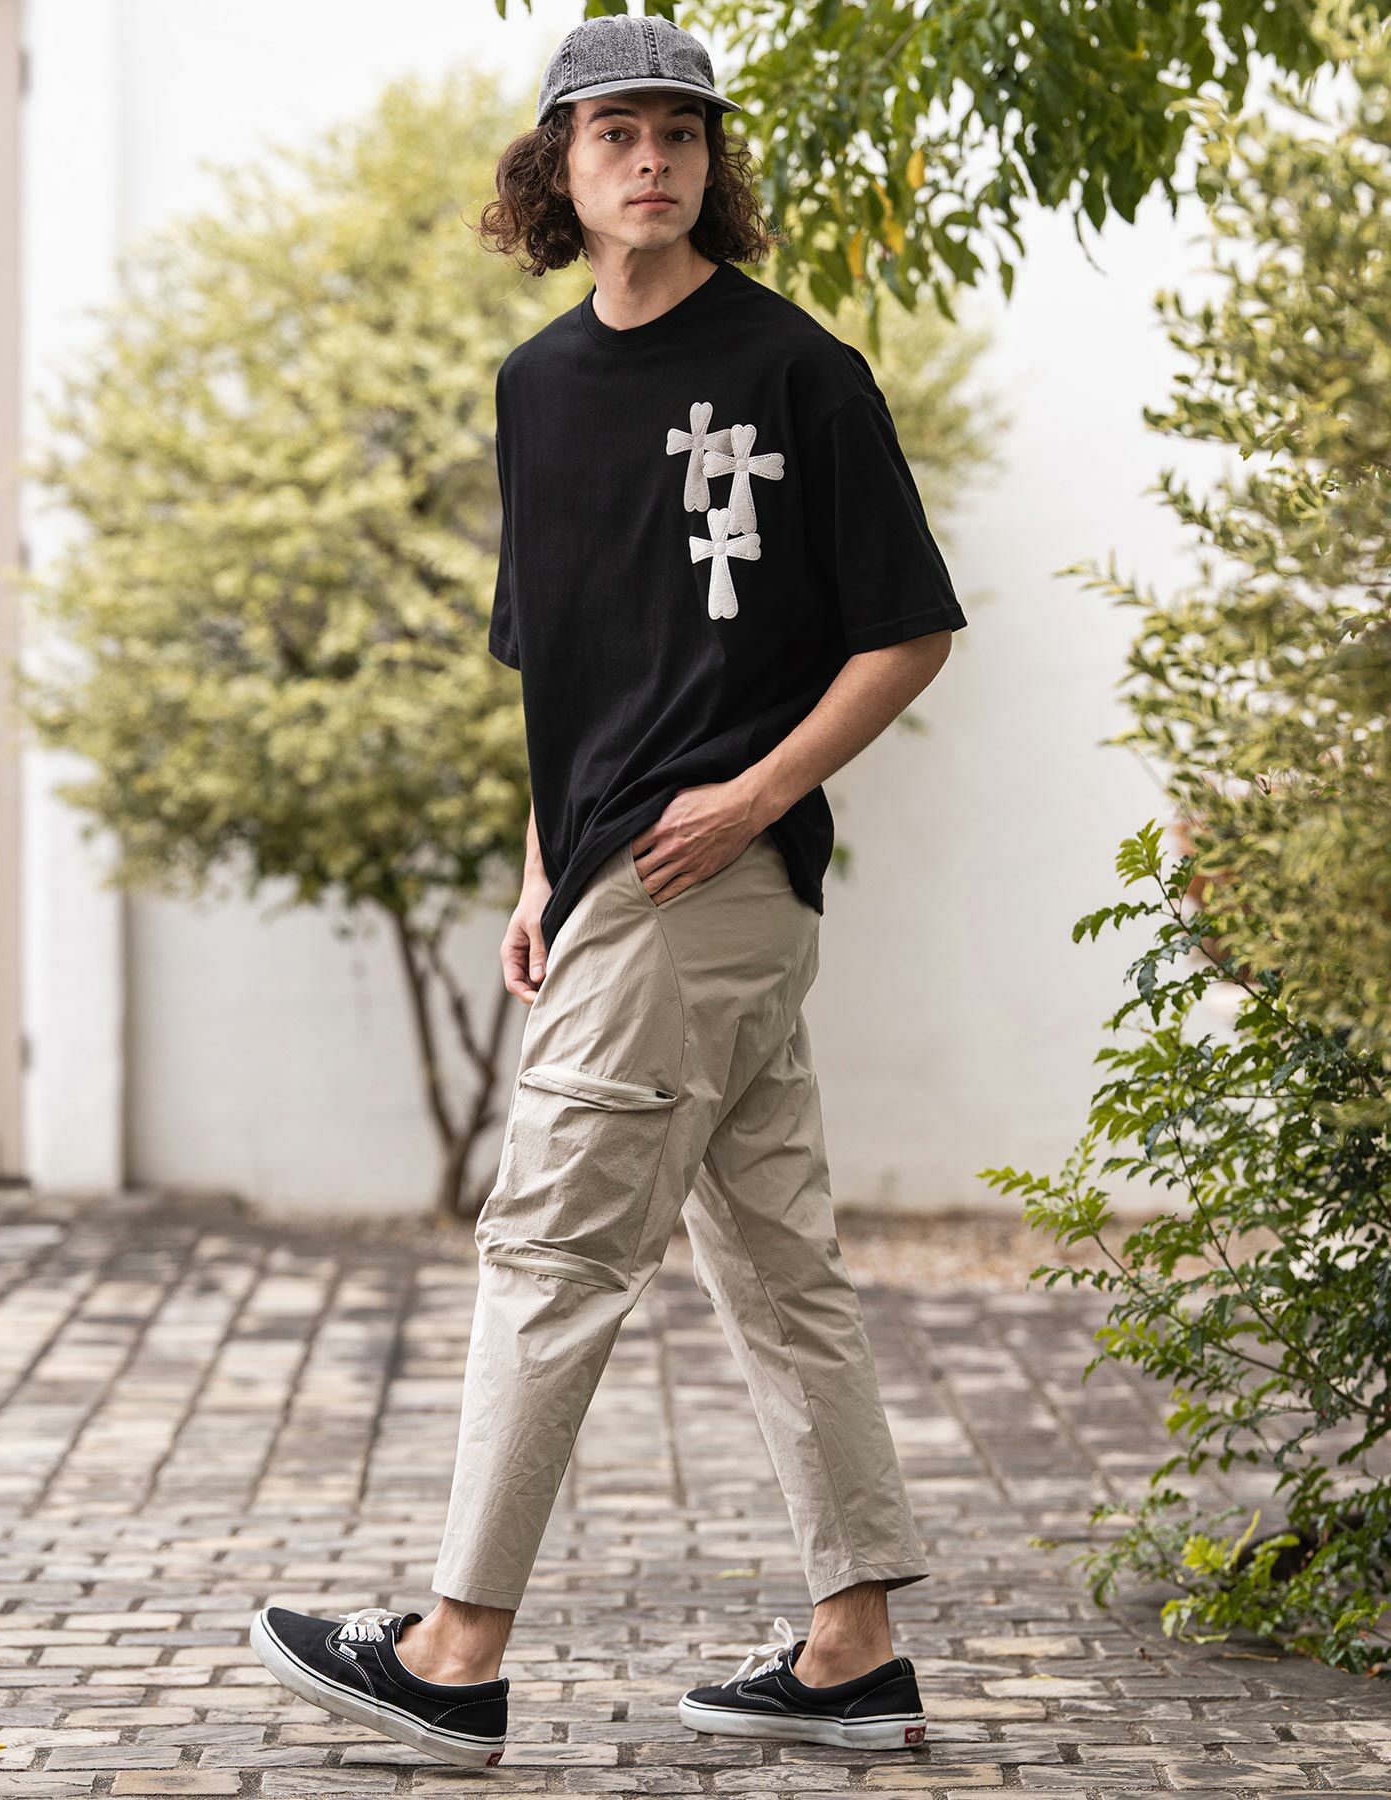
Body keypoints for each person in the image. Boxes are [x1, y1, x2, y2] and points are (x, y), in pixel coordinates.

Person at [251, 12, 965, 1769]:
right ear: (556, 169)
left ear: (712, 164)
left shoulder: (799, 371)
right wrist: (538, 872)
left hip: (704, 877)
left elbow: (909, 631)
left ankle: (454, 1651)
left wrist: (756, 794)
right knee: (778, 1265)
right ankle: (854, 1647)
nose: (653, 160)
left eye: (680, 133)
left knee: (551, 1248)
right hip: (617, 883)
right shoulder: (537, 387)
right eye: (616, 133)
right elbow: (562, 671)